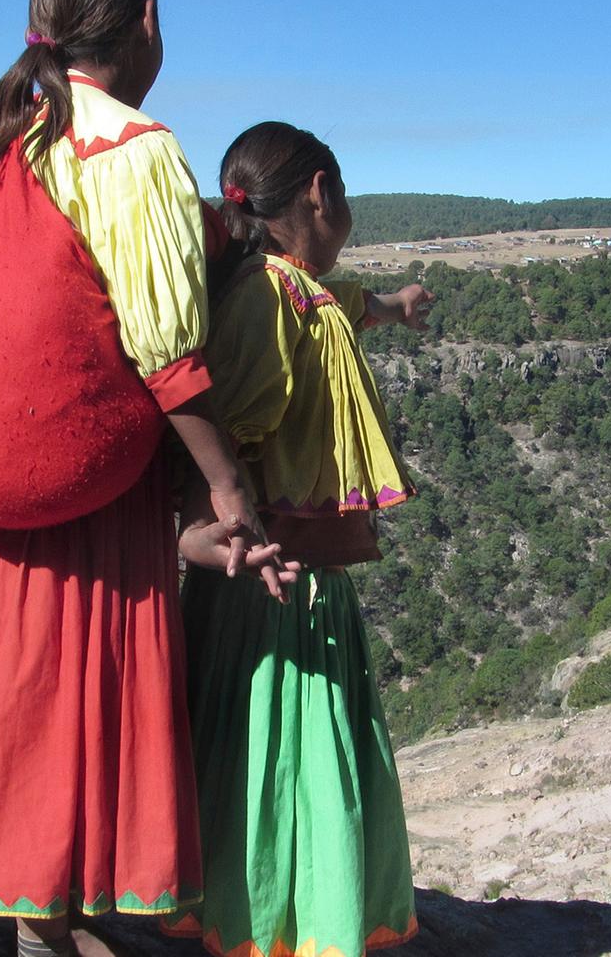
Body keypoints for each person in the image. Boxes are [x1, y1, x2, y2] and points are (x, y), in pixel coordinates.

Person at [0, 0, 276, 957]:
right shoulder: (133, 147)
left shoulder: (9, 143)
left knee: (17, 701)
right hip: (82, 496)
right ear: (146, 20)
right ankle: (55, 926)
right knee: (71, 702)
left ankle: (37, 914)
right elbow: (167, 353)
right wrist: (228, 486)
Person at [165, 121, 432, 957]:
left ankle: (281, 922)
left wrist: (396, 307)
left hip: (289, 582)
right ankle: (287, 928)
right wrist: (204, 530)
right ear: (320, 192)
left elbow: (349, 305)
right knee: (288, 765)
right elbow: (219, 432)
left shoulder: (296, 289)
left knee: (271, 763)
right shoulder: (267, 301)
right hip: (276, 586)